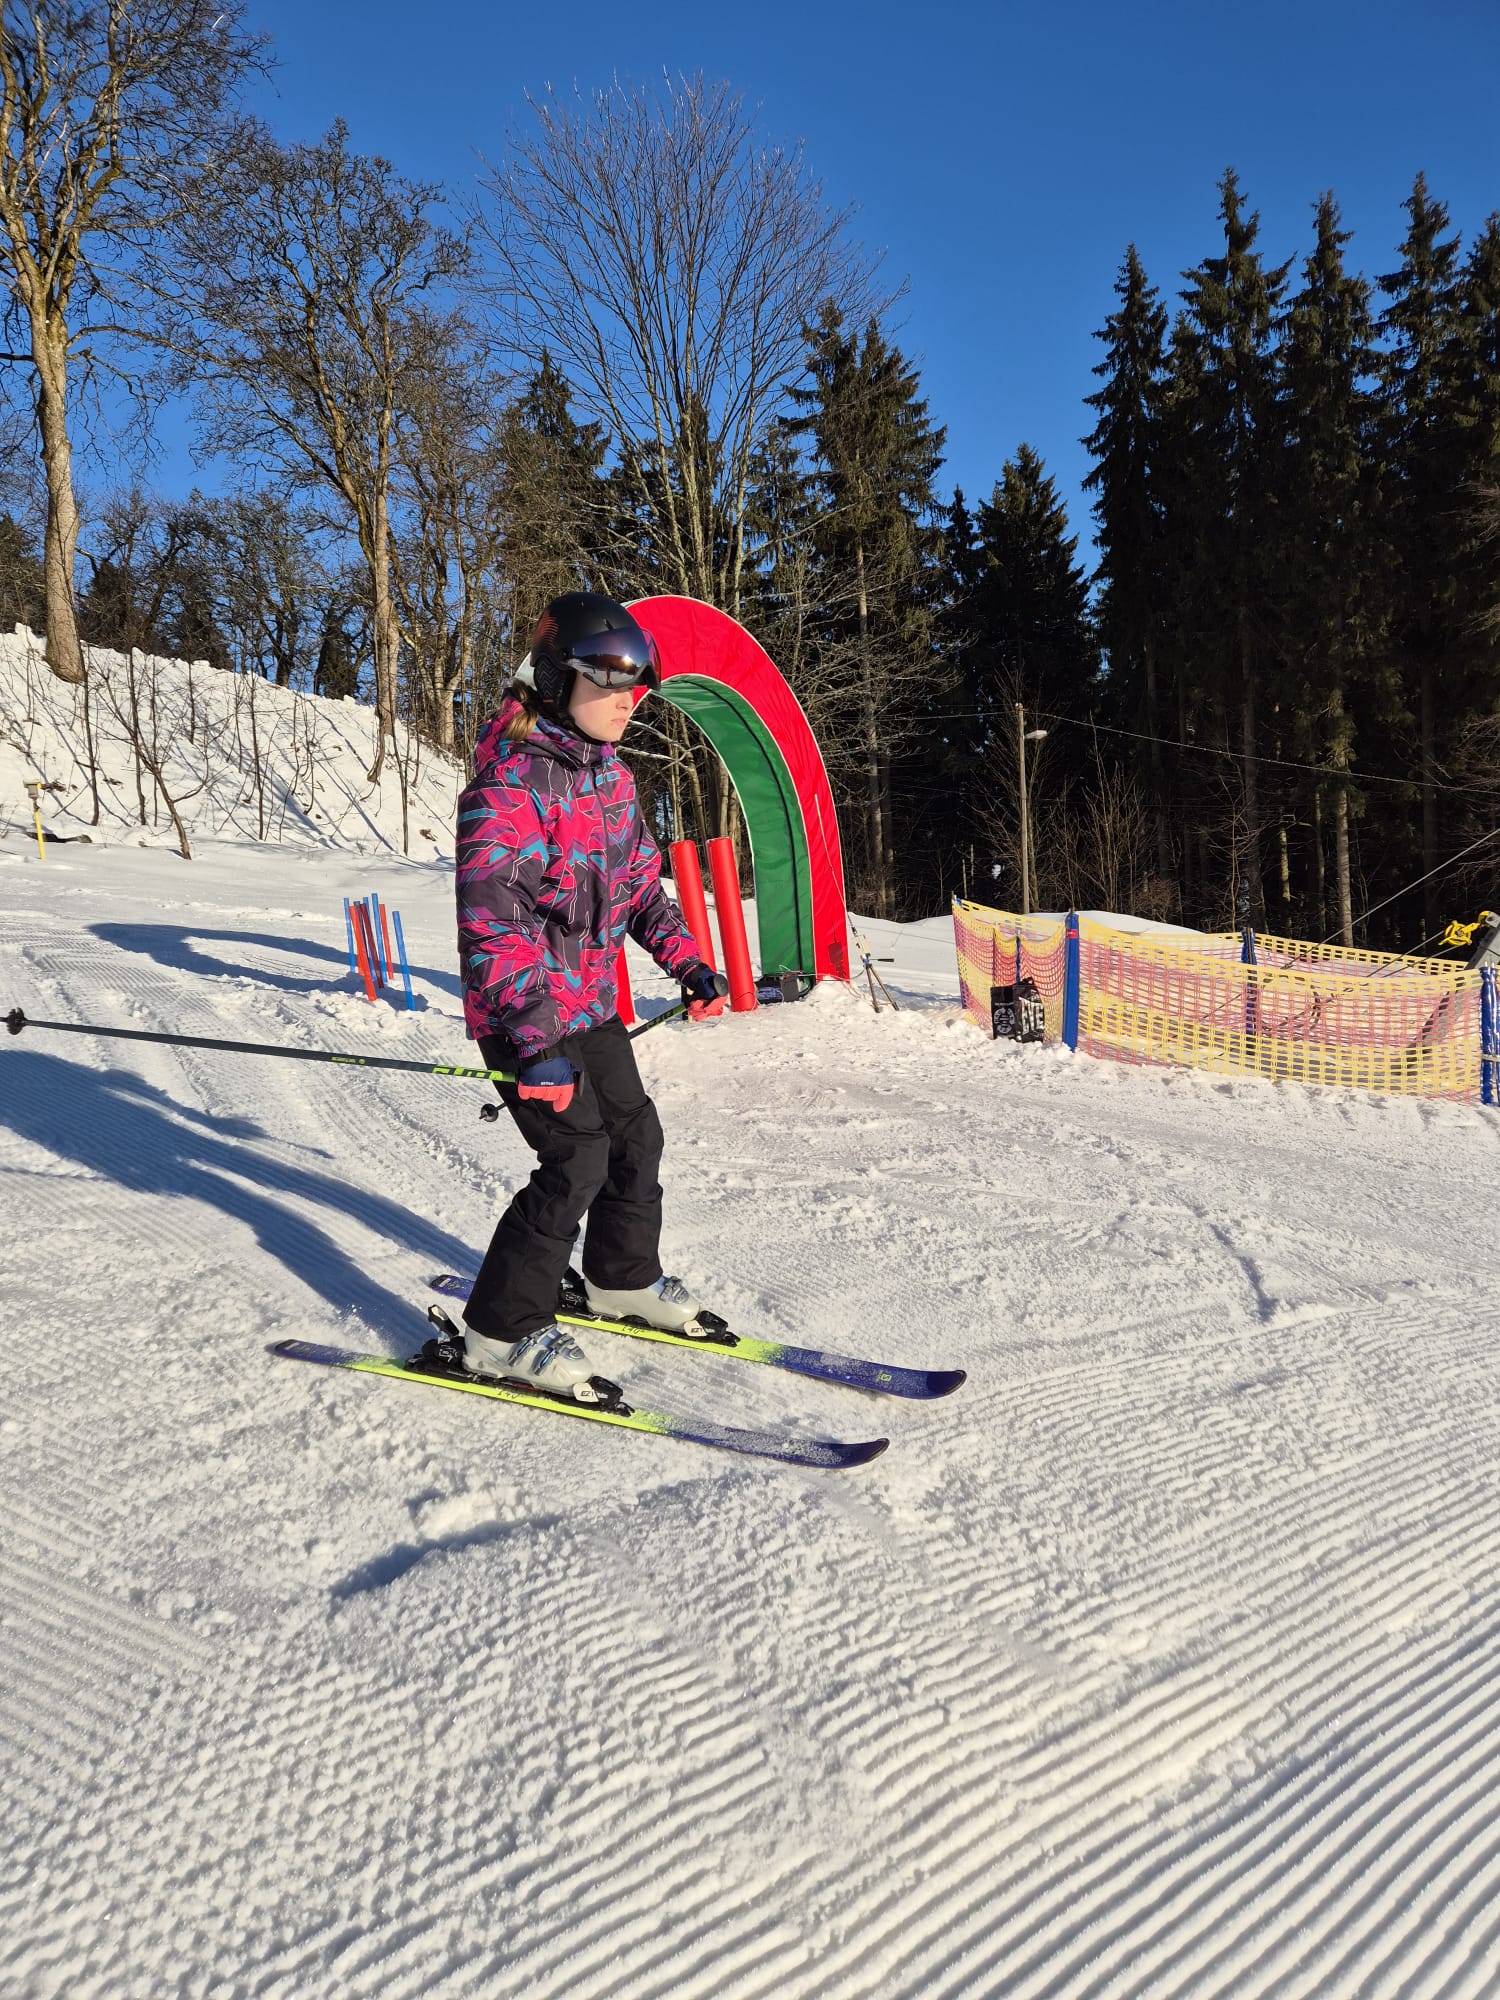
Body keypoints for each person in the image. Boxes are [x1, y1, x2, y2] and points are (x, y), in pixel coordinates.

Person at [455, 592, 725, 1397]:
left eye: (635, 684)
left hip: (590, 1005)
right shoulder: (508, 787)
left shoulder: (612, 780)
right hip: (524, 1020)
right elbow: (494, 928)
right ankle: (500, 1330)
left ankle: (620, 1278)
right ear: (554, 680)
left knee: (636, 1137)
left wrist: (689, 965)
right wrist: (535, 1043)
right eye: (606, 680)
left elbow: (641, 890)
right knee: (576, 1158)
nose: (626, 699)